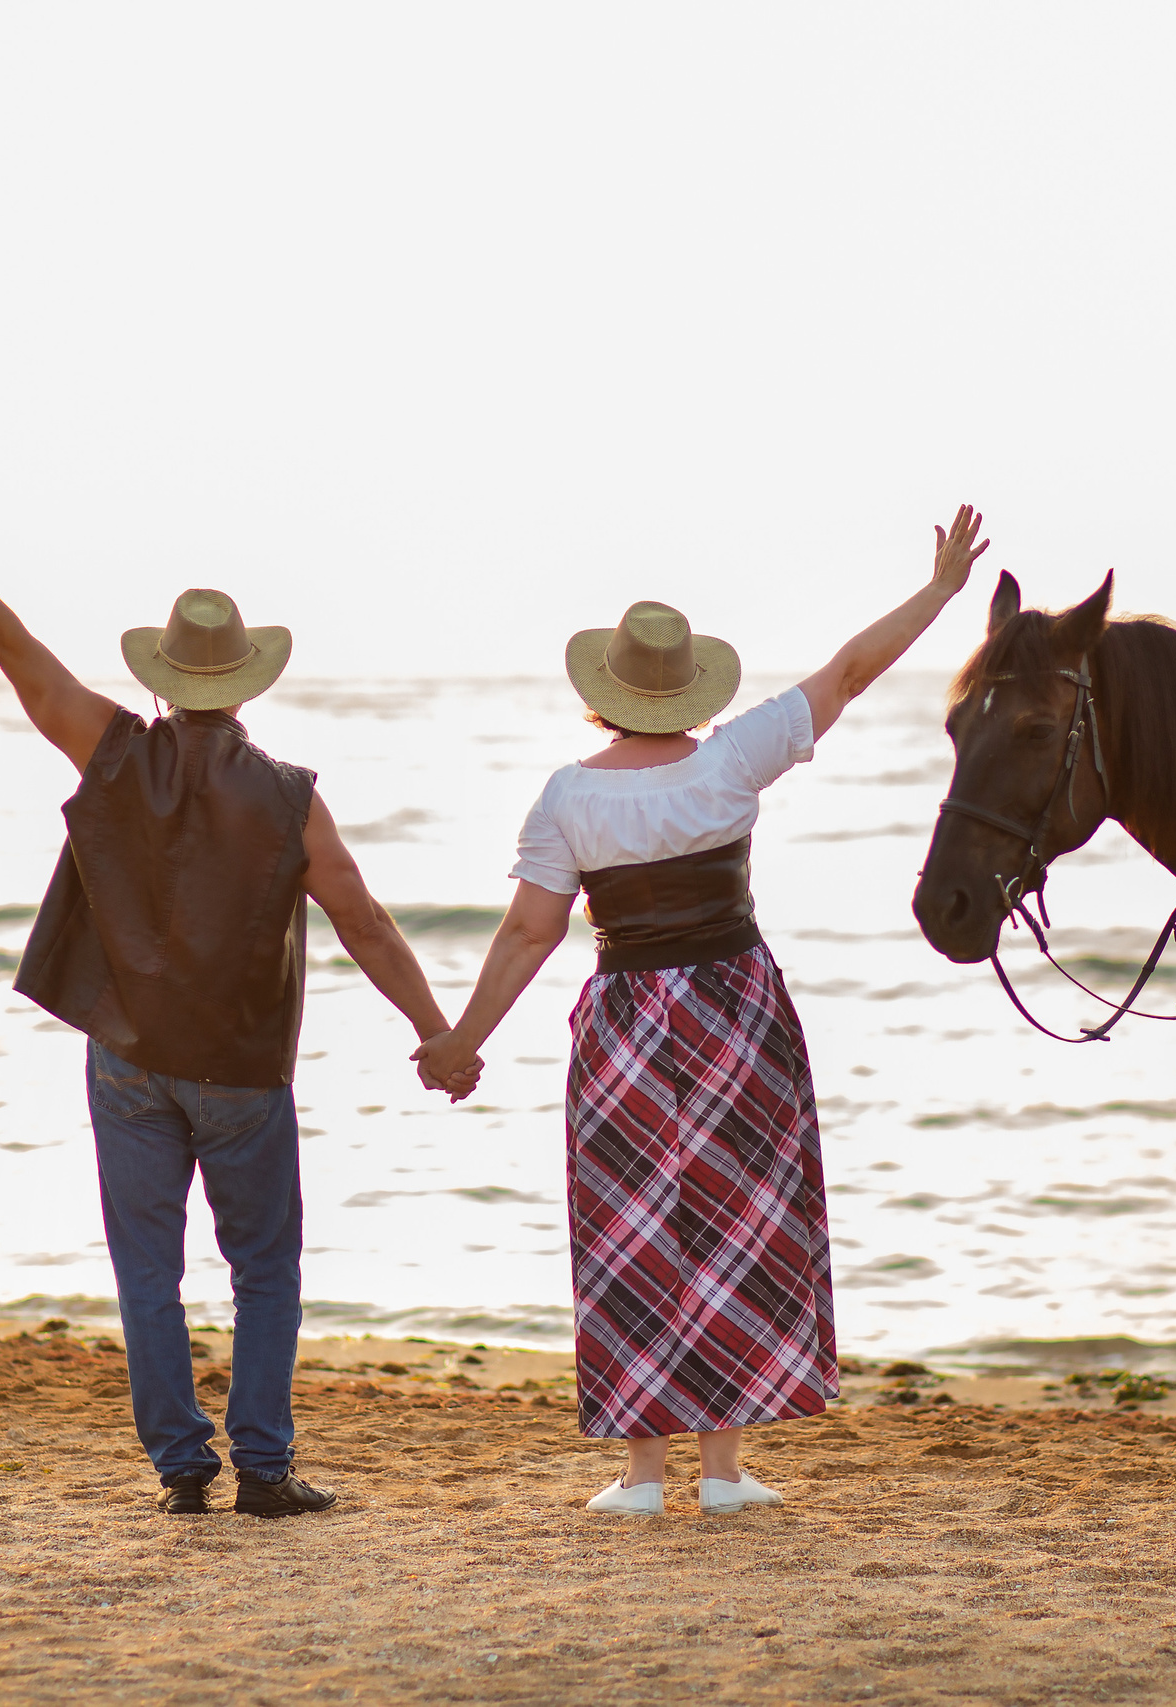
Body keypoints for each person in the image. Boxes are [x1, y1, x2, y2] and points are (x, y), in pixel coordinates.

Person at [0, 467, 476, 1518]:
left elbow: (7, 641)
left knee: (149, 1274)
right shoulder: (288, 799)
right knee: (263, 1269)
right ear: (246, 685)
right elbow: (361, 919)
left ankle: (183, 1467)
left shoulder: (109, 746)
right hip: (239, 1073)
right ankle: (262, 1471)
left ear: (164, 680)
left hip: (127, 1058)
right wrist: (437, 1033)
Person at [415, 506, 988, 1515]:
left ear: (603, 693)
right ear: (689, 686)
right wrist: (940, 593)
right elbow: (851, 670)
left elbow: (526, 935)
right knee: (737, 1219)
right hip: (734, 1006)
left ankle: (642, 1476)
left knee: (632, 1223)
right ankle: (722, 1472)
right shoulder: (732, 758)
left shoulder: (563, 797)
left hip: (625, 1022)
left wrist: (463, 1040)